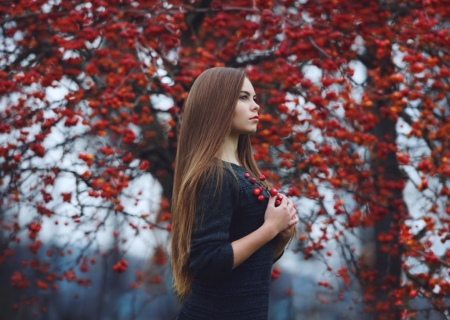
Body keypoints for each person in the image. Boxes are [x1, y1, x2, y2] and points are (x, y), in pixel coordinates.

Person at [171, 67, 298, 320]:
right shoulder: (214, 175)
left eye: (255, 98)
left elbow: (245, 268)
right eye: (243, 97)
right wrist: (269, 229)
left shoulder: (240, 173)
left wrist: (280, 236)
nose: (255, 107)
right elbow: (208, 264)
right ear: (216, 104)